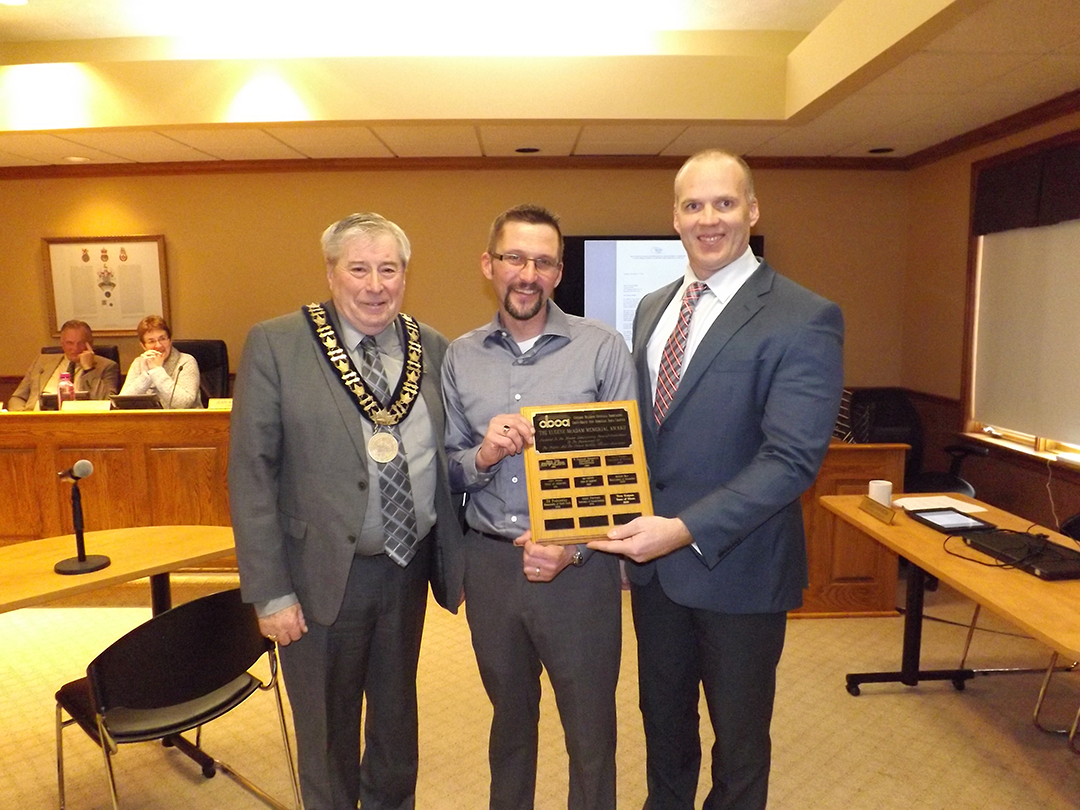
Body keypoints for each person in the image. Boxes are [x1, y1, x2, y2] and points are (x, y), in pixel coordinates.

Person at [589, 150, 845, 810]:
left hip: (740, 569)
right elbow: (649, 436)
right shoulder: (652, 307)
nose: (709, 219)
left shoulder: (804, 315)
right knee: (663, 727)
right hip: (655, 577)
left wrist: (681, 529)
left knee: (739, 745)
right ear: (675, 217)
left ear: (752, 211)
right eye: (694, 205)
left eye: (724, 203)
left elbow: (791, 460)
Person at [228, 212, 463, 810]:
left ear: (405, 275)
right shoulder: (278, 344)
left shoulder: (432, 347)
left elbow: (446, 455)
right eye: (359, 269)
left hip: (407, 568)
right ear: (331, 273)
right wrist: (270, 593)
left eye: (389, 269)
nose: (375, 286)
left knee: (396, 721)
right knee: (328, 730)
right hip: (320, 577)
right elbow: (252, 473)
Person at [442, 204, 636, 810]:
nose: (528, 274)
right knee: (509, 724)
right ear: (488, 264)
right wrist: (482, 455)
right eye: (515, 258)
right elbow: (445, 467)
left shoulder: (602, 348)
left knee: (590, 731)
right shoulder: (459, 356)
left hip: (580, 570)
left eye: (543, 262)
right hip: (492, 568)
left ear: (559, 272)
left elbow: (625, 478)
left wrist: (572, 548)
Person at [7, 319, 119, 411]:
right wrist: (23, 416)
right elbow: (18, 397)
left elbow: (107, 403)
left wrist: (89, 369)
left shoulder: (106, 366)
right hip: (36, 419)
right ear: (62, 344)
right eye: (70, 343)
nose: (75, 348)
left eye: (80, 343)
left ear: (90, 343)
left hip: (78, 422)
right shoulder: (42, 362)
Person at [118, 315, 203, 408]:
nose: (158, 345)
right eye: (151, 341)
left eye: (162, 339)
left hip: (183, 417)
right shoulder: (138, 363)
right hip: (148, 417)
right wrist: (146, 376)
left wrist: (157, 371)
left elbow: (184, 403)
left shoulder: (186, 361)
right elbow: (123, 402)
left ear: (170, 340)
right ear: (143, 346)